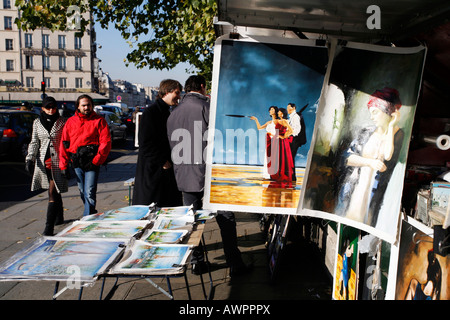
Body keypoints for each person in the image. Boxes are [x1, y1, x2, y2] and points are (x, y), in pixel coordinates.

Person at [167, 75, 250, 277]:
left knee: (192, 221)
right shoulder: (207, 108)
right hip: (210, 173)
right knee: (226, 219)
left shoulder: (173, 113)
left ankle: (197, 262)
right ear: (203, 87)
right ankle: (234, 263)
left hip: (185, 174)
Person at [336, 87, 404, 226]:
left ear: (388, 112)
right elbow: (346, 158)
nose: (371, 117)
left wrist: (391, 127)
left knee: (368, 225)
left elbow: (388, 155)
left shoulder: (398, 134)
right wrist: (369, 162)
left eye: (375, 112)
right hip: (355, 190)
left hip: (375, 196)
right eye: (370, 113)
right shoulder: (366, 132)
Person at [59, 94, 112, 216]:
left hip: (92, 161)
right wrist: (64, 165)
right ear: (78, 106)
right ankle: (91, 212)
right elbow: (64, 143)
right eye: (83, 105)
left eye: (88, 105)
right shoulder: (70, 122)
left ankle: (86, 219)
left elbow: (106, 142)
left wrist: (97, 160)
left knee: (89, 191)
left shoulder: (99, 121)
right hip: (76, 161)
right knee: (82, 191)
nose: (86, 107)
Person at [133, 79, 182, 207]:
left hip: (161, 168)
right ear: (167, 92)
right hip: (154, 170)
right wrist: (162, 161)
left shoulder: (165, 110)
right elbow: (145, 142)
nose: (179, 96)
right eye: (177, 93)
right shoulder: (152, 112)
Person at [26, 96, 68, 235]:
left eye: (53, 107)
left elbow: (67, 141)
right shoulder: (37, 123)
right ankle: (59, 217)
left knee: (52, 192)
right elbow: (34, 142)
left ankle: (48, 228)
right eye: (48, 107)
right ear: (43, 108)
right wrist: (29, 158)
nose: (51, 110)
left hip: (58, 162)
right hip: (43, 163)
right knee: (55, 189)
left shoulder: (62, 122)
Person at [250, 106, 279, 179]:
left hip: (275, 141)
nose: (270, 110)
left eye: (272, 109)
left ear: (276, 111)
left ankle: (275, 174)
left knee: (274, 157)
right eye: (270, 109)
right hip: (269, 141)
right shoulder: (269, 122)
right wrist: (256, 120)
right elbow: (259, 128)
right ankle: (268, 175)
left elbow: (281, 131)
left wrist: (273, 136)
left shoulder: (278, 121)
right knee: (268, 157)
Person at [272, 107, 294, 181]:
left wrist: (283, 136)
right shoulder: (278, 121)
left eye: (279, 112)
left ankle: (282, 174)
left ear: (282, 113)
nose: (278, 113)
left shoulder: (284, 121)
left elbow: (291, 130)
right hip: (277, 141)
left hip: (282, 142)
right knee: (277, 156)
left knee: (282, 156)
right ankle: (277, 173)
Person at [287, 103, 305, 181]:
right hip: (293, 139)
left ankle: (292, 176)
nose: (287, 109)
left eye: (289, 108)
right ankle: (291, 176)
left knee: (291, 157)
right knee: (290, 157)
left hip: (294, 140)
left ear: (293, 108)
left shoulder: (296, 117)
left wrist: (290, 134)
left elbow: (297, 129)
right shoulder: (293, 117)